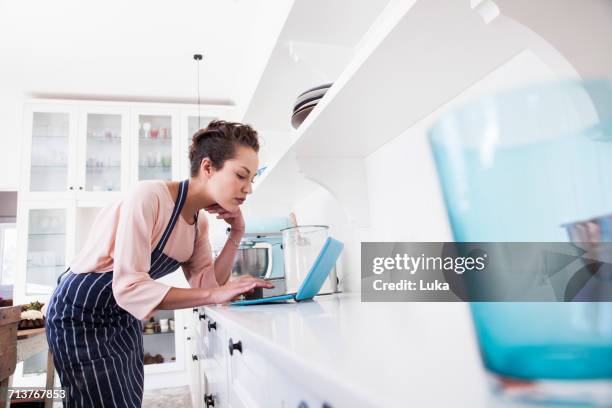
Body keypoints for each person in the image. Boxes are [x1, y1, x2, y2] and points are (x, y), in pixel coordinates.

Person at [45, 120, 273, 407]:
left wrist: (236, 234)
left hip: (122, 314)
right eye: (242, 175)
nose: (248, 189)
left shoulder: (198, 223)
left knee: (126, 399)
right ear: (207, 167)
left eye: (251, 179)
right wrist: (216, 294)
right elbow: (129, 287)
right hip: (80, 312)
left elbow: (207, 285)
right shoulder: (150, 196)